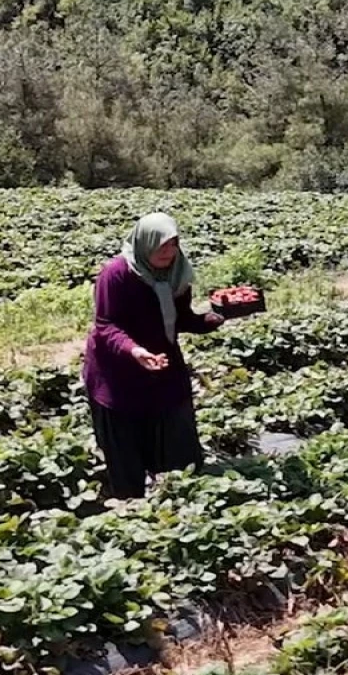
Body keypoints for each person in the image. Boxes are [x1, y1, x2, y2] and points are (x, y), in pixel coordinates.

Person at [82, 212, 224, 498]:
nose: (168, 252)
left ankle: (180, 498)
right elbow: (106, 325)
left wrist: (215, 318)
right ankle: (131, 505)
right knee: (127, 450)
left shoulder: (177, 273)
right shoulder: (117, 273)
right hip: (118, 374)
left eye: (173, 244)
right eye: (161, 245)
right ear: (144, 242)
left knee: (178, 442)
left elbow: (182, 318)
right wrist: (135, 351)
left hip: (163, 366)